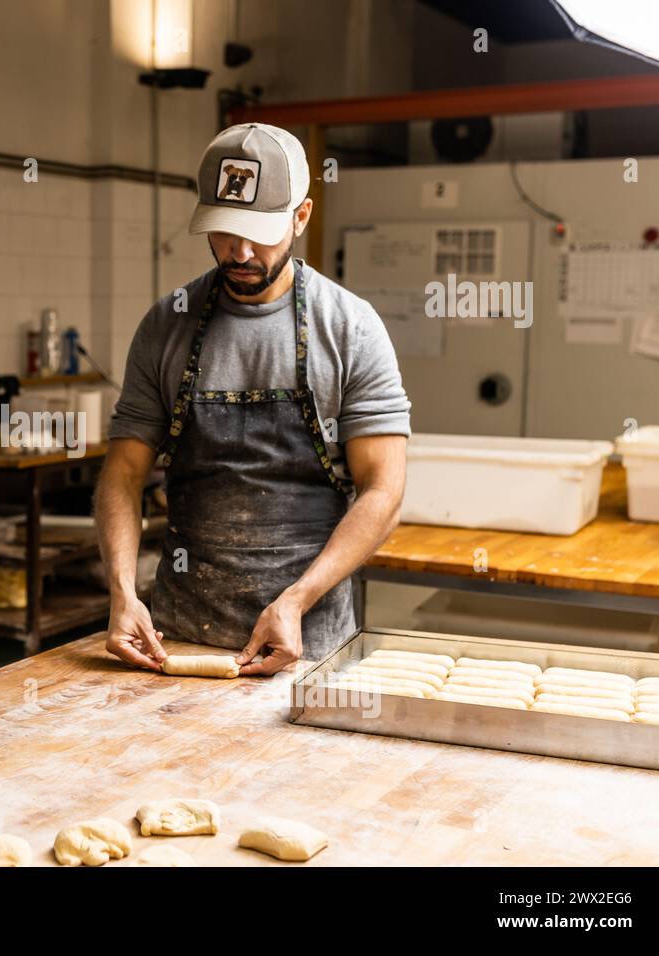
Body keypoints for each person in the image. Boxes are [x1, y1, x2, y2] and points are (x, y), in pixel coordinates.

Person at [95, 123, 410, 676]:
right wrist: (122, 592)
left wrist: (295, 600)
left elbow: (383, 490)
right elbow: (122, 473)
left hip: (308, 643)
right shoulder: (166, 325)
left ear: (301, 217)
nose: (239, 252)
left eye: (259, 233)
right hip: (178, 640)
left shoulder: (350, 328)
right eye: (223, 231)